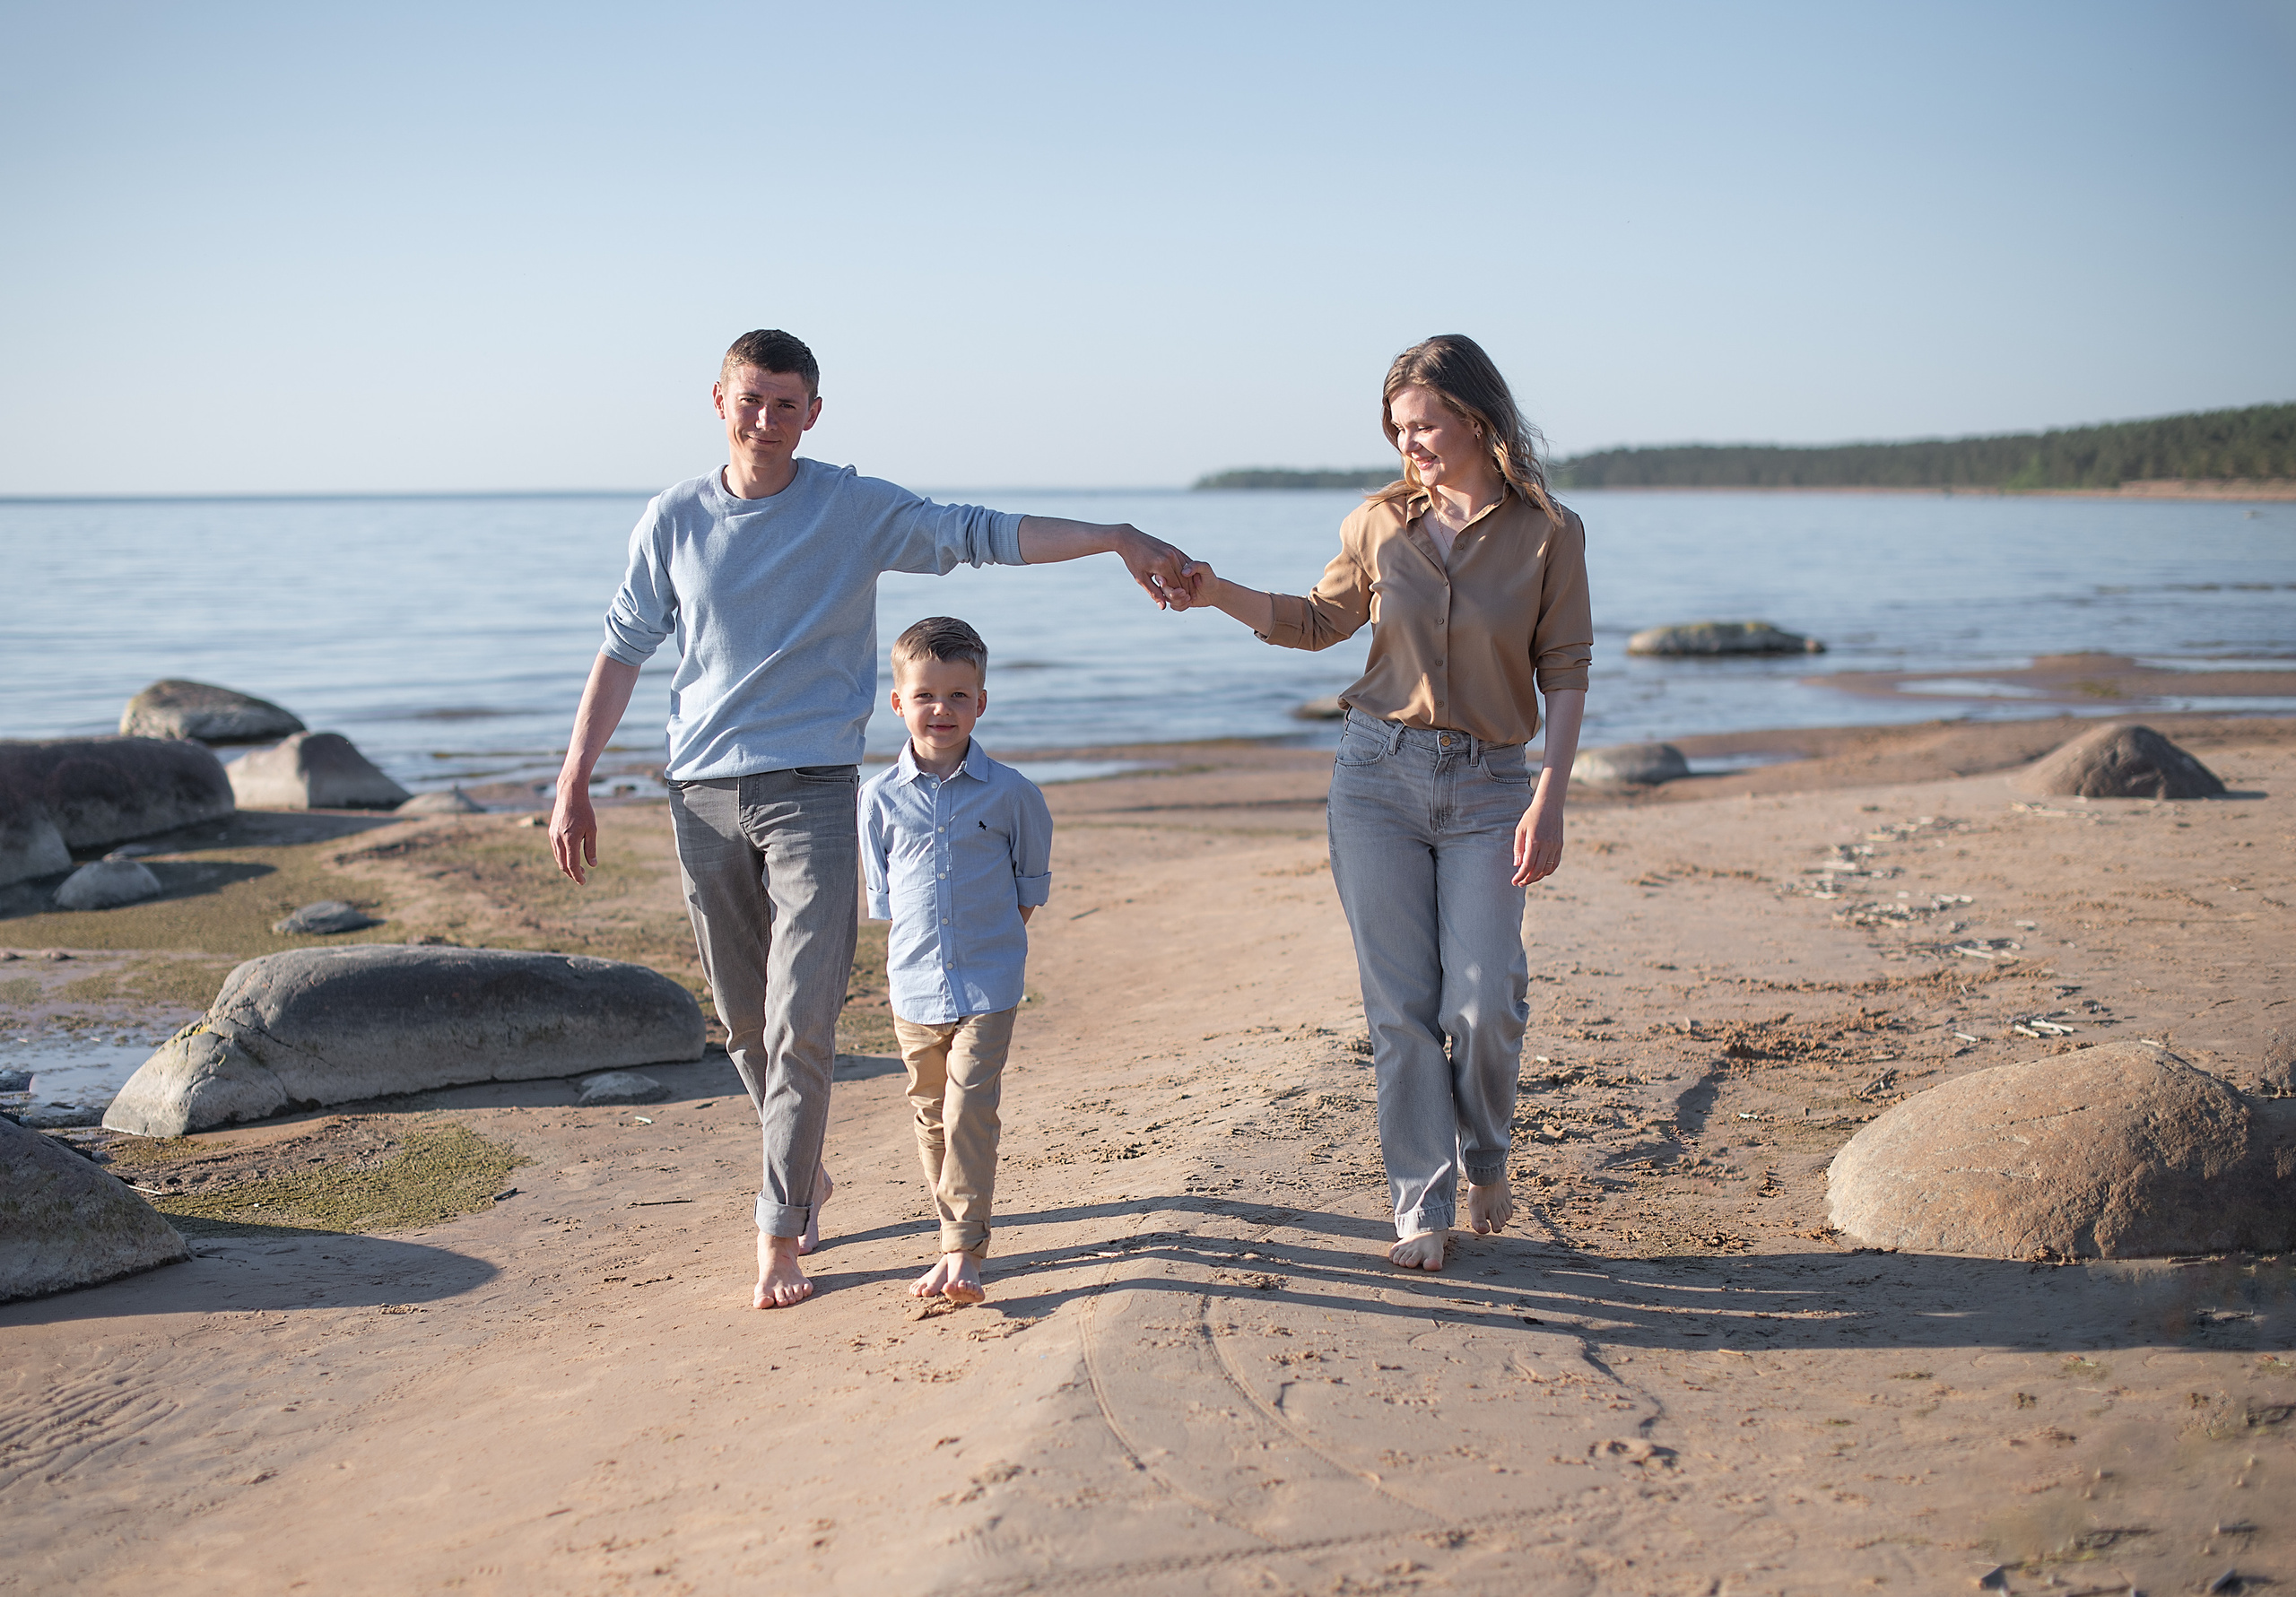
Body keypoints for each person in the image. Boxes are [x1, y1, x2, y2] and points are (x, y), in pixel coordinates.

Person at [550, 329, 1192, 1309]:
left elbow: (982, 531)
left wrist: (1113, 537)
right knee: (743, 1026)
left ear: (813, 414)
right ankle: (802, 1172)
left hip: (813, 791)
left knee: (802, 1018)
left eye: (785, 404)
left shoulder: (851, 508)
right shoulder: (672, 518)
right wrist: (573, 780)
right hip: (700, 793)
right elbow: (624, 649)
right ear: (717, 400)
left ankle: (778, 1233)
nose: (764, 420)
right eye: (749, 399)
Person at [1172, 334, 1592, 1272]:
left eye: (1425, 426)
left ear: (1477, 420)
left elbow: (1564, 669)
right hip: (1376, 778)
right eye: (1398, 429)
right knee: (1400, 1009)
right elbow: (1317, 623)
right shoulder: (1376, 523)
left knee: (1483, 1000)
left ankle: (1485, 1154)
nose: (1410, 445)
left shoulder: (1548, 532)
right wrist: (1214, 593)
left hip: (1491, 785)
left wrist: (1549, 797)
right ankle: (1421, 1206)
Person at [859, 616, 1051, 1306]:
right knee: (931, 1114)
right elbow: (887, 897)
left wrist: (991, 944)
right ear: (898, 702)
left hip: (989, 980)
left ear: (982, 701)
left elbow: (1027, 891)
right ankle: (954, 1239)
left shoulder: (1013, 795)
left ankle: (962, 1250)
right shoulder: (876, 797)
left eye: (959, 695)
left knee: (971, 1108)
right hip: (912, 986)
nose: (942, 709)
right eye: (926, 695)